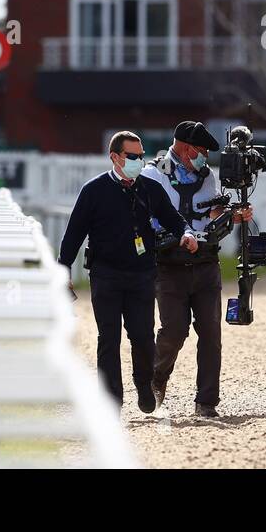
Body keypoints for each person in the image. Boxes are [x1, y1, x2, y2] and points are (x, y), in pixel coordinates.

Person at [57, 131, 197, 413]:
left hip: (141, 275)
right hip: (105, 275)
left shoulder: (149, 188)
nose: (138, 161)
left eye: (141, 156)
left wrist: (186, 232)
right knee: (108, 339)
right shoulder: (93, 191)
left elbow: (173, 218)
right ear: (115, 157)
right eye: (132, 156)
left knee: (143, 336)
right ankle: (110, 399)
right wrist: (63, 269)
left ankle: (144, 384)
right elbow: (73, 234)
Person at [140, 120, 252, 418]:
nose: (206, 157)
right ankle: (157, 376)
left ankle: (206, 402)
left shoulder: (208, 178)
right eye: (202, 150)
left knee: (211, 334)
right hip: (169, 266)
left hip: (205, 264)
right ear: (187, 148)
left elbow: (213, 213)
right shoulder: (153, 176)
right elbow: (144, 219)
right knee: (174, 331)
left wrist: (232, 217)